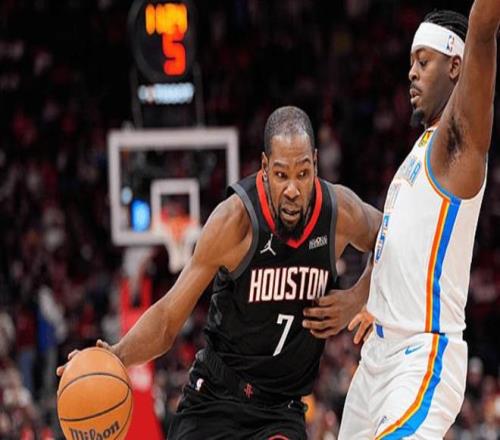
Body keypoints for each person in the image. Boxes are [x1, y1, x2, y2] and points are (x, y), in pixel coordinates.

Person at [57, 106, 380, 439]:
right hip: (214, 400)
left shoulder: (340, 213)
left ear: (315, 162)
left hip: (280, 412)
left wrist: (358, 296)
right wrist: (117, 355)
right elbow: (168, 319)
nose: (293, 189)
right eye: (282, 175)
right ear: (265, 168)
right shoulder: (235, 222)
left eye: (303, 173)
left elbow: (391, 236)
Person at [305, 3, 499, 439]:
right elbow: (390, 237)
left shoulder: (458, 145)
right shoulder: (417, 153)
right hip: (377, 359)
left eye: (423, 62)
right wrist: (363, 294)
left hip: (421, 356)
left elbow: (483, 29)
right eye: (411, 62)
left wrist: (483, 24)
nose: (411, 73)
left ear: (456, 67)